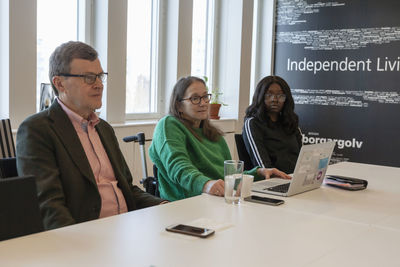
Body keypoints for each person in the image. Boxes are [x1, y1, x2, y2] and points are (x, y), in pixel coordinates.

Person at [16, 41, 164, 230]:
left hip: (125, 230)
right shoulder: (37, 129)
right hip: (82, 240)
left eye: (100, 76)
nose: (99, 85)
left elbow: (128, 189)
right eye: (89, 77)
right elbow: (48, 206)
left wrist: (163, 207)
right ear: (60, 83)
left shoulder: (104, 129)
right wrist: (80, 248)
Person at [149, 76, 290, 201]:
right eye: (195, 98)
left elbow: (228, 177)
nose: (203, 103)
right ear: (179, 105)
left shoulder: (213, 134)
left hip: (216, 201)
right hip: (185, 204)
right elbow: (178, 168)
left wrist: (259, 172)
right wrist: (205, 184)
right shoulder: (168, 124)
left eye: (205, 97)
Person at [242, 75, 302, 174]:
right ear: (260, 96)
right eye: (269, 95)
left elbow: (303, 159)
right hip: (271, 181)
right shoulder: (253, 124)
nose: (275, 99)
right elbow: (264, 168)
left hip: (294, 179)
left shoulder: (290, 122)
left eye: (280, 95)